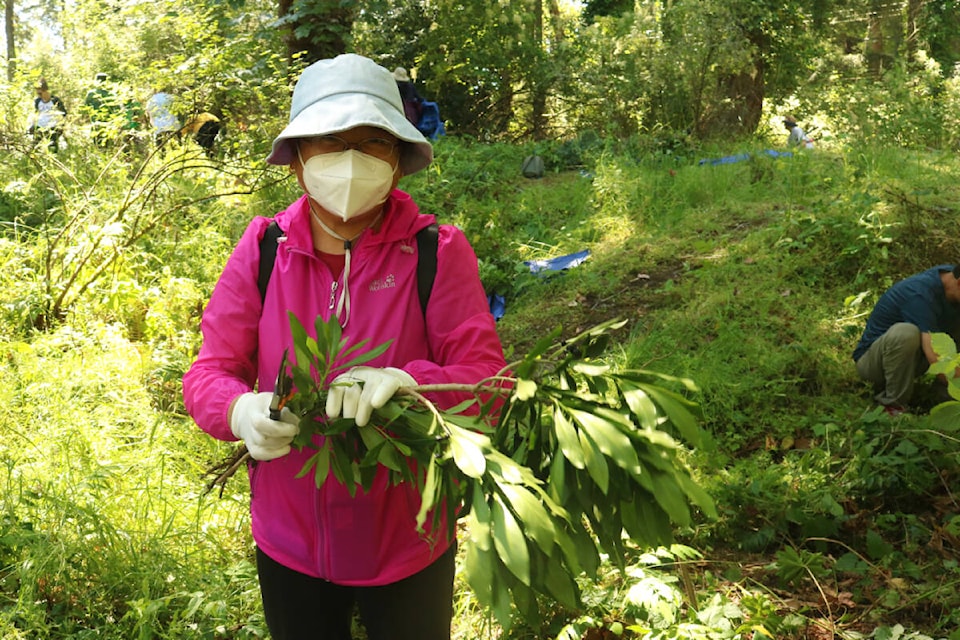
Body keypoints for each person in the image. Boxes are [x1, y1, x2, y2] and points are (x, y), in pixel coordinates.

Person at [182, 53, 506, 640]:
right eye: (330, 141)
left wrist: (414, 384)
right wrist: (238, 409)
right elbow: (211, 370)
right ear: (298, 160)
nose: (351, 161)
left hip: (408, 537)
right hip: (290, 539)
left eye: (372, 142)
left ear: (399, 161)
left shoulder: (435, 252)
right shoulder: (263, 250)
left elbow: (486, 380)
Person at [853, 264, 960, 415]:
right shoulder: (920, 295)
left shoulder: (951, 277)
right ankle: (892, 405)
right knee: (906, 333)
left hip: (912, 361)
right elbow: (935, 356)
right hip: (874, 363)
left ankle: (945, 398)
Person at [30, 79, 67, 153]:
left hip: (53, 126)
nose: (39, 94)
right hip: (40, 126)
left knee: (52, 147)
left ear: (45, 90)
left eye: (40, 93)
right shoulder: (37, 101)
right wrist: (33, 125)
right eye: (37, 93)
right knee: (35, 146)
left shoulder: (55, 100)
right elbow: (36, 114)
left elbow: (64, 113)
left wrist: (61, 125)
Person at [83, 72, 119, 146]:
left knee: (97, 143)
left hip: (95, 122)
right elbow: (117, 110)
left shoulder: (91, 94)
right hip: (108, 124)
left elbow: (85, 107)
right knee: (108, 143)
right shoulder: (112, 94)